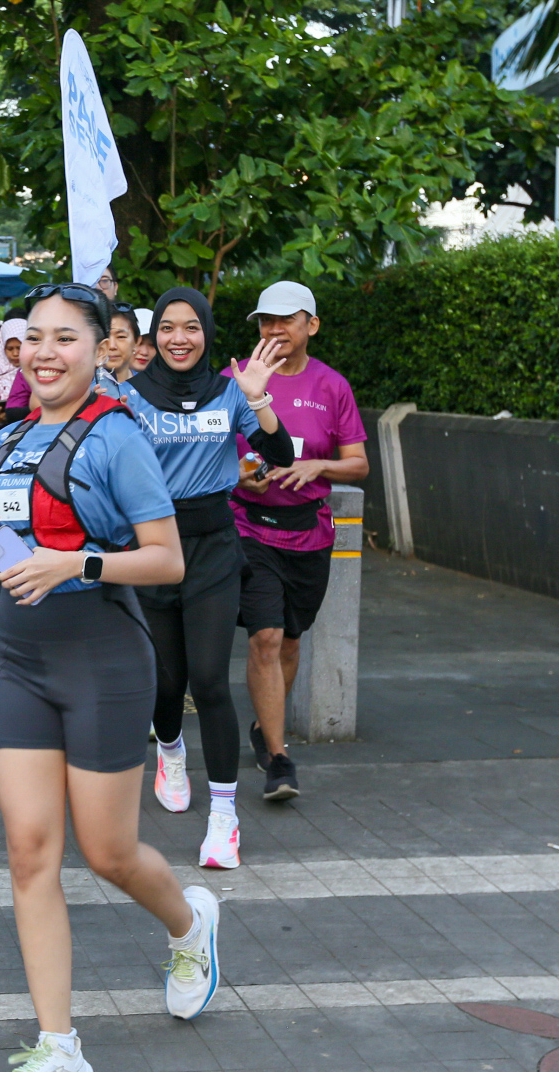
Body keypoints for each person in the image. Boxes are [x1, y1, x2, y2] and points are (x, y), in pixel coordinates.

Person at [0, 285, 222, 1072]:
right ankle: (58, 1044)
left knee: (109, 852)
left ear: (99, 348)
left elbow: (167, 560)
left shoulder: (118, 436)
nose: (45, 353)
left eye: (65, 338)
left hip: (103, 658)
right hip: (20, 659)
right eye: (34, 338)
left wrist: (77, 563)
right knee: (29, 852)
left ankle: (190, 926)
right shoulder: (7, 439)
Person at [125, 290, 293, 869]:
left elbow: (279, 451)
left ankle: (224, 818)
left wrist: (259, 398)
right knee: (166, 683)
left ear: (207, 332)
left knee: (210, 680)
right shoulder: (129, 395)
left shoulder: (231, 390)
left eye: (191, 327)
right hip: (152, 547)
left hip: (215, 546)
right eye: (168, 327)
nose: (180, 338)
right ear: (155, 335)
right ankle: (170, 751)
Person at [234, 281, 369, 802]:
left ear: (310, 325)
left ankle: (263, 727)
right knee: (265, 637)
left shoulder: (332, 385)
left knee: (290, 640)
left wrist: (319, 465)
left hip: (308, 533)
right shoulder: (234, 378)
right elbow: (210, 447)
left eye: (284, 320)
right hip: (248, 527)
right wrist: (239, 473)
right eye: (265, 321)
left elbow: (358, 464)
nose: (273, 330)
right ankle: (279, 758)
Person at [105, 304, 142, 385]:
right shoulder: (82, 388)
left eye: (121, 337)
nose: (112, 346)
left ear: (136, 342)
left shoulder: (148, 387)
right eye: (105, 336)